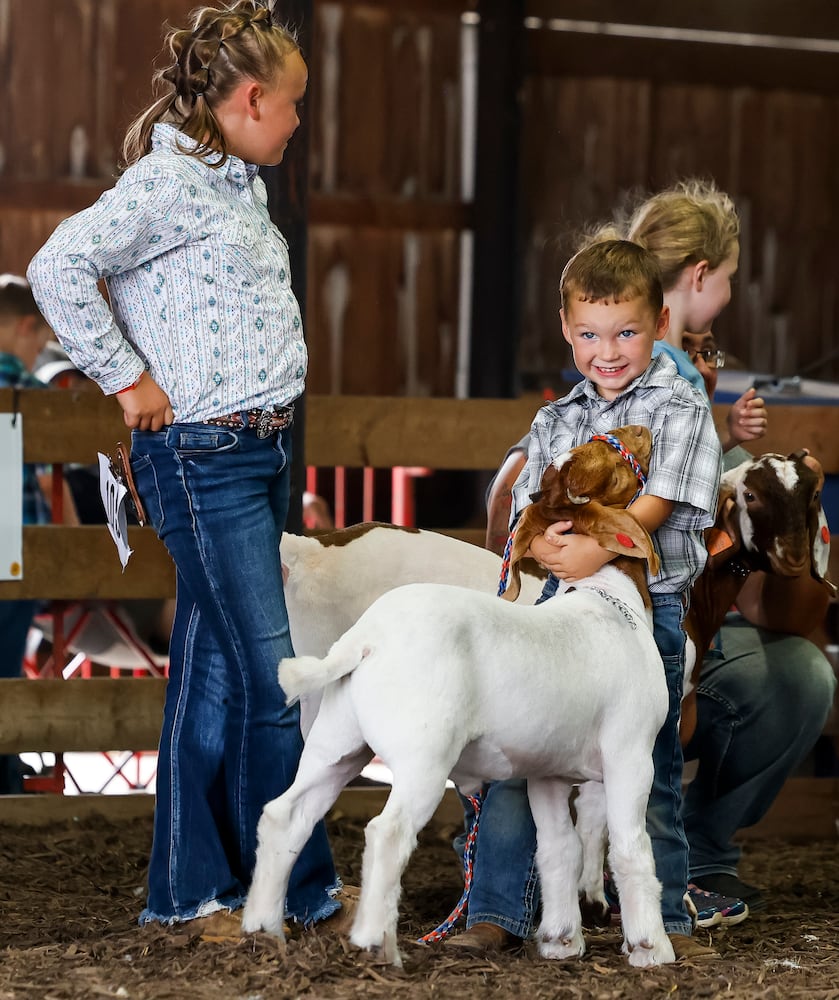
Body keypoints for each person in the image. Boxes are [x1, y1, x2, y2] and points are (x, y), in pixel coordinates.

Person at [27, 0, 352, 934]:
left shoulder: (232, 184)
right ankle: (288, 885)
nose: (297, 120)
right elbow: (57, 267)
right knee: (269, 673)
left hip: (248, 448)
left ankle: (192, 889)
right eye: (292, 104)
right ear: (250, 99)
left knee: (215, 674)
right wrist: (128, 383)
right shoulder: (168, 186)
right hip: (204, 454)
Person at [450, 238, 723, 962]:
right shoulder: (555, 419)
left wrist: (600, 547)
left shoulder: (679, 408)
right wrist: (541, 549)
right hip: (558, 615)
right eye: (591, 334)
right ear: (567, 330)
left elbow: (665, 498)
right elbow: (529, 513)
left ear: (659, 324)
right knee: (516, 750)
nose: (608, 351)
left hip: (647, 611)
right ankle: (497, 908)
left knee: (649, 765)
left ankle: (664, 919)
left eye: (626, 332)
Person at [0, 274, 53, 793]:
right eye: (39, 341)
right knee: (7, 666)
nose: (39, 351)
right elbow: (49, 459)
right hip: (14, 549)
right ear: (23, 328)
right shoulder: (21, 389)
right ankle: (7, 778)